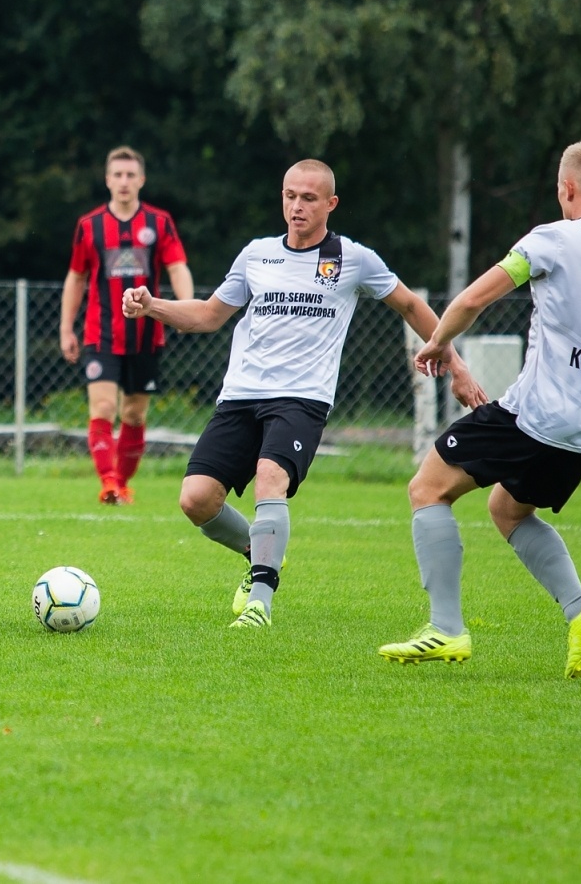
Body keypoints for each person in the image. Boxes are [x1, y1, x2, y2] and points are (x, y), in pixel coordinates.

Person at [123, 159, 484, 629]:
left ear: (331, 204)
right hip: (240, 396)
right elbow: (209, 315)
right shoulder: (256, 254)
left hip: (302, 399)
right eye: (290, 196)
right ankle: (261, 552)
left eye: (309, 198)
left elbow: (411, 304)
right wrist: (153, 306)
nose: (297, 206)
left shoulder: (354, 259)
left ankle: (260, 603)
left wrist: (454, 365)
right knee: (196, 499)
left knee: (270, 478)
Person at [377, 141, 581, 677]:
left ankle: (445, 629)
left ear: (566, 189)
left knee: (426, 488)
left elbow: (475, 298)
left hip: (535, 415)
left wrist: (437, 344)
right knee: (508, 509)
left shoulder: (552, 238)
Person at [60, 146, 193, 504]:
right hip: (100, 333)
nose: (123, 181)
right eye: (117, 175)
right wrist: (65, 329)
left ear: (141, 180)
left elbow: (178, 267)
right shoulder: (90, 226)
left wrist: (185, 310)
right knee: (102, 407)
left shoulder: (159, 223)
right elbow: (76, 277)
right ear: (107, 180)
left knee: (134, 413)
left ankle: (121, 482)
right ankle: (108, 483)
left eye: (130, 175)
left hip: (146, 335)